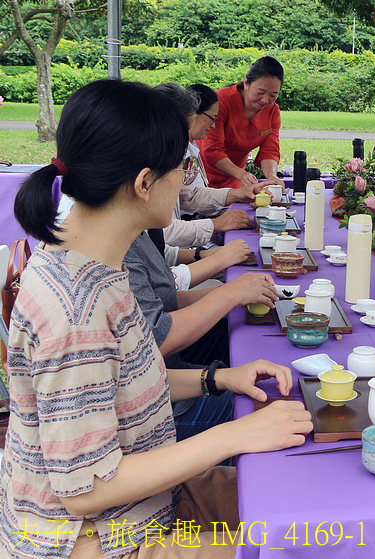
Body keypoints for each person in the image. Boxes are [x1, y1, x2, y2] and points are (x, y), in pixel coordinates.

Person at [6, 79, 312, 558]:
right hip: (96, 539)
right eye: (182, 168)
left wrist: (219, 378)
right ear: (145, 182)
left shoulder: (98, 262)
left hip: (147, 503)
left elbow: (123, 383)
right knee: (310, 542)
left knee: (310, 509)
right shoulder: (75, 310)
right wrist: (234, 433)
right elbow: (86, 488)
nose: (187, 180)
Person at [153, 82, 256, 249]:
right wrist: (215, 225)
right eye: (183, 129)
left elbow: (187, 195)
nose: (184, 140)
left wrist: (237, 194)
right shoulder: (150, 167)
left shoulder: (162, 155)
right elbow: (166, 233)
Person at [199, 56, 287, 189]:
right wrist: (241, 174)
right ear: (246, 83)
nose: (265, 100)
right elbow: (212, 150)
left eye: (273, 95)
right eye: (260, 92)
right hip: (202, 177)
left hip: (234, 180)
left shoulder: (273, 111)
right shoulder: (221, 101)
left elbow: (269, 151)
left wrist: (272, 177)